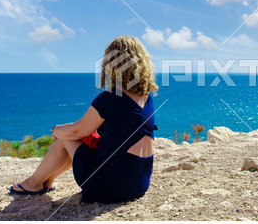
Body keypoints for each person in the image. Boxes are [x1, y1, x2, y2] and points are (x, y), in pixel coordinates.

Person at [10, 36, 159, 203]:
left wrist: (55, 130)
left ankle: (33, 183)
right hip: (139, 184)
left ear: (112, 65)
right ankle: (48, 181)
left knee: (64, 139)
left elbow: (77, 130)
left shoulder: (110, 98)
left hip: (111, 188)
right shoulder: (146, 97)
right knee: (77, 138)